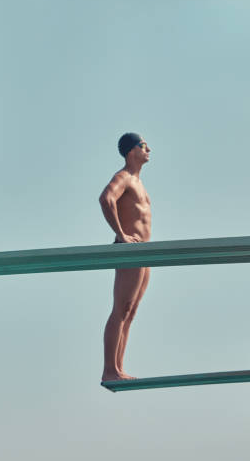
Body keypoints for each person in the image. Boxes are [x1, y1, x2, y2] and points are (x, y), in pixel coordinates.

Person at [99, 133, 151, 381]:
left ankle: (118, 368)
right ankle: (110, 369)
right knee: (121, 309)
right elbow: (106, 198)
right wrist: (120, 234)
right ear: (132, 151)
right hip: (130, 250)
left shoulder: (139, 182)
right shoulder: (124, 178)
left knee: (130, 311)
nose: (149, 148)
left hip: (144, 253)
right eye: (144, 145)